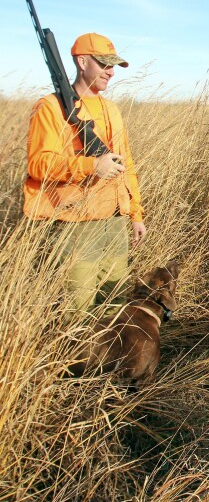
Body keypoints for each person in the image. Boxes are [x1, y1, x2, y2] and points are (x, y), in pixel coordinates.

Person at [24, 32, 146, 314]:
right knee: (78, 311)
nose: (111, 72)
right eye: (104, 64)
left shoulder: (111, 109)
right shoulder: (51, 108)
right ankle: (77, 360)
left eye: (112, 66)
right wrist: (91, 166)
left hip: (115, 221)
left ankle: (109, 360)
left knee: (114, 306)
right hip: (77, 224)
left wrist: (135, 213)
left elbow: (127, 165)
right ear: (82, 62)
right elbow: (38, 164)